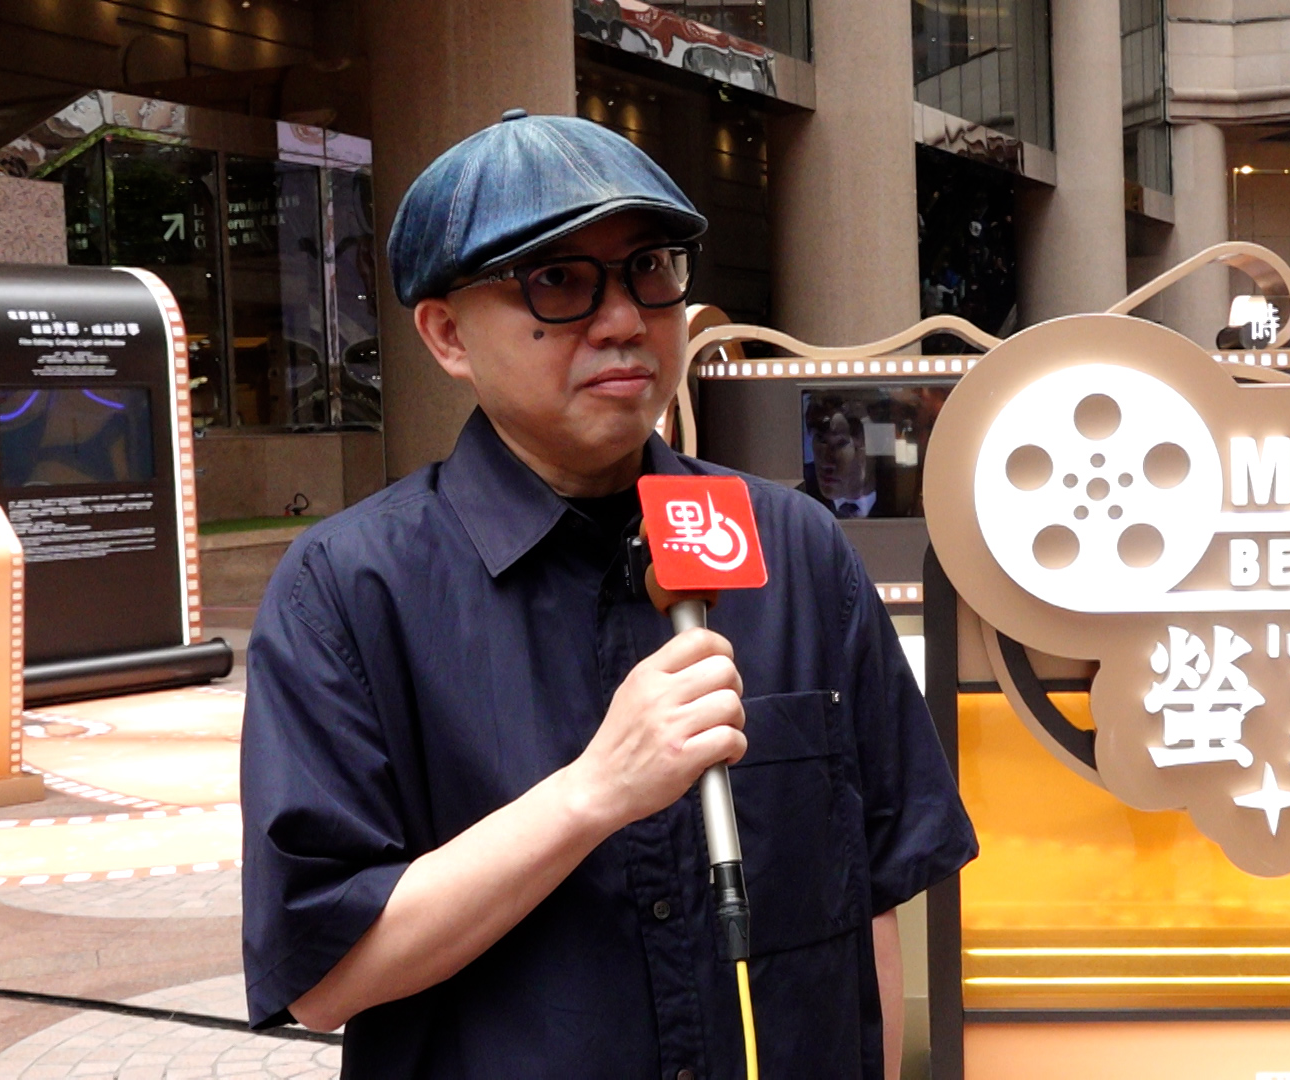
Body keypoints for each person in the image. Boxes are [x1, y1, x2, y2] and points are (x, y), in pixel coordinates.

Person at [239, 111, 977, 1078]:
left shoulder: (792, 547)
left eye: (650, 269)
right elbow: (322, 977)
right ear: (448, 334)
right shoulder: (348, 591)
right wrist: (594, 793)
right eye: (557, 279)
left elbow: (869, 898)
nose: (625, 319)